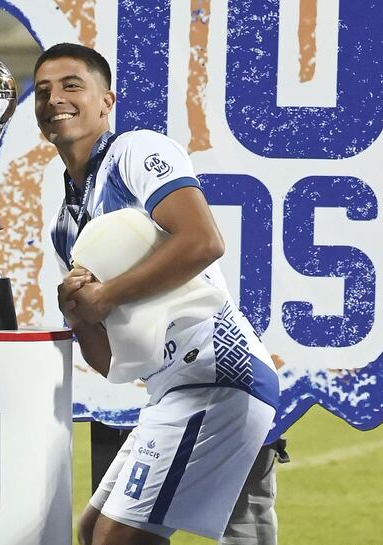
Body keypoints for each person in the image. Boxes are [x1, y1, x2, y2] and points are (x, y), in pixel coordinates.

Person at [34, 43, 280, 545]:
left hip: (216, 370)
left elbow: (202, 240)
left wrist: (104, 297)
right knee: (93, 531)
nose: (54, 97)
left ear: (107, 101)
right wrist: (80, 316)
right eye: (42, 91)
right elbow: (112, 364)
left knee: (116, 539)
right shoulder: (66, 225)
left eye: (71, 85)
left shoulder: (136, 151)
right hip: (171, 386)